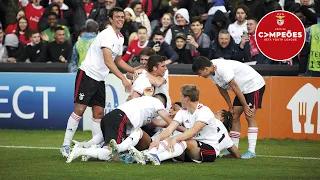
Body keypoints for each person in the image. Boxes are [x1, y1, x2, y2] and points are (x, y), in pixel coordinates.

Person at [60, 7, 137, 158]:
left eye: (122, 17)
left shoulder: (120, 37)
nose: (120, 19)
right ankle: (65, 145)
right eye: (117, 17)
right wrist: (124, 79)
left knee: (99, 113)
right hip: (88, 74)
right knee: (80, 109)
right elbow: (109, 62)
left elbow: (117, 60)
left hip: (100, 78)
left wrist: (133, 70)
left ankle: (94, 148)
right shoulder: (107, 35)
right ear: (110, 19)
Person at [66, 93, 177, 163]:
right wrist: (181, 127)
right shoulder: (157, 102)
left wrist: (181, 127)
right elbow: (167, 119)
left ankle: (84, 146)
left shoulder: (145, 105)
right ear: (162, 103)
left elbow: (159, 122)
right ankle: (83, 151)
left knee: (113, 151)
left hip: (111, 117)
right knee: (113, 154)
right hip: (120, 119)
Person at [192, 56, 265, 159]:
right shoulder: (211, 72)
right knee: (234, 116)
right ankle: (233, 150)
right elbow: (221, 89)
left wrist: (245, 105)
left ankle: (251, 152)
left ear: (206, 69)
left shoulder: (222, 68)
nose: (199, 76)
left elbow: (234, 86)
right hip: (242, 89)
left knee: (249, 116)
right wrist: (230, 106)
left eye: (199, 73)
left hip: (254, 85)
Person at [130, 84, 222, 165]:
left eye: (181, 96)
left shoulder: (204, 111)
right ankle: (146, 155)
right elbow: (170, 128)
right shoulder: (183, 112)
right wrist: (157, 140)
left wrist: (175, 138)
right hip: (190, 149)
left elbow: (193, 131)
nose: (180, 98)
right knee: (169, 139)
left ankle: (157, 158)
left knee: (183, 140)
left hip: (210, 151)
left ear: (187, 98)